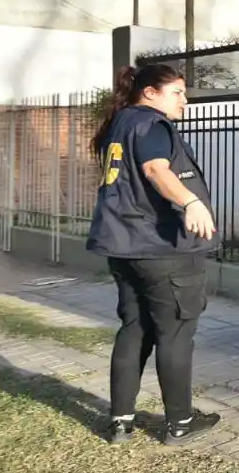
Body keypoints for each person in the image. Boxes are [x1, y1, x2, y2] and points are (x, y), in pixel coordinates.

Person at [85, 63, 222, 446]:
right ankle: (180, 423)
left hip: (124, 246)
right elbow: (155, 170)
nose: (184, 100)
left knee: (135, 327)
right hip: (162, 249)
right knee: (175, 332)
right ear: (149, 92)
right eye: (176, 92)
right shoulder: (151, 124)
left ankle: (121, 421)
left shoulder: (121, 122)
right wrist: (191, 202)